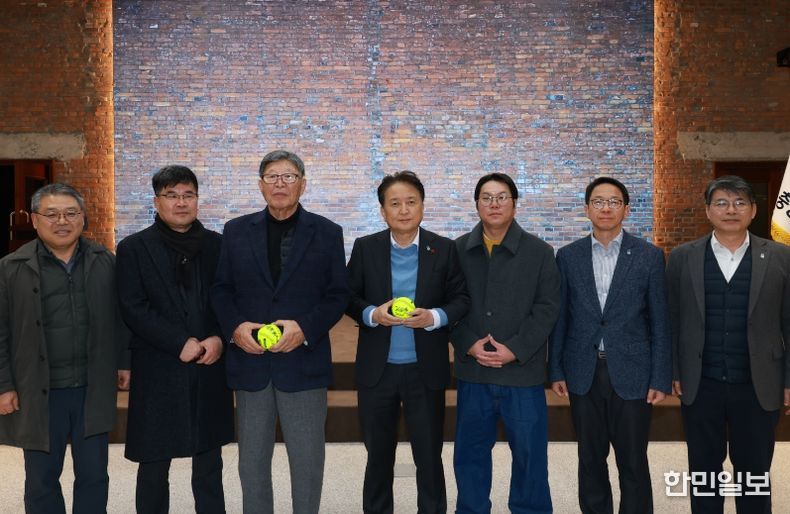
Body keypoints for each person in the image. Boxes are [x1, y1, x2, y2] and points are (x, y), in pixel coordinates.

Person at [211, 150, 349, 514]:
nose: (280, 184)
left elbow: (338, 294)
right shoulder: (236, 231)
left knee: (307, 463)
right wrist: (235, 328)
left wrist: (305, 329)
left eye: (289, 176)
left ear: (303, 184)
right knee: (251, 463)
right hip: (251, 363)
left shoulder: (327, 232)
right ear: (260, 185)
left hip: (303, 363)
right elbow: (221, 290)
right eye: (272, 177)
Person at [0, 183, 130, 513]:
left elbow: (122, 319)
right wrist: (4, 385)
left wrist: (125, 362)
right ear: (35, 219)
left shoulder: (105, 262)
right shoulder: (11, 267)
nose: (62, 221)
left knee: (94, 475)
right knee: (41, 479)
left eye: (71, 213)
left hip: (91, 386)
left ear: (83, 218)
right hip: (38, 390)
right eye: (52, 214)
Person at [346, 171, 469, 514]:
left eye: (411, 202)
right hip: (378, 370)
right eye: (395, 203)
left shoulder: (444, 248)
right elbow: (348, 296)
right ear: (382, 210)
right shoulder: (366, 247)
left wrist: (435, 317)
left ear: (422, 206)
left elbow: (461, 299)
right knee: (378, 456)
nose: (403, 210)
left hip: (424, 370)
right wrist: (372, 313)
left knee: (428, 457)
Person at [668, 175, 790, 513]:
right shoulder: (682, 257)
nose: (731, 210)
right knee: (704, 473)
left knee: (754, 474)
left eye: (739, 203)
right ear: (708, 210)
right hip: (700, 383)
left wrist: (789, 380)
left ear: (753, 210)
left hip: (758, 384)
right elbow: (672, 320)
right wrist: (674, 371)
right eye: (721, 202)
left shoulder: (781, 257)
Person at [548, 177, 671, 513]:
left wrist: (660, 377)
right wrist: (556, 369)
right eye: (598, 201)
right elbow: (561, 317)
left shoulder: (648, 256)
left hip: (634, 371)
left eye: (614, 201)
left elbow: (660, 321)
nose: (606, 208)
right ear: (587, 208)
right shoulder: (568, 256)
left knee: (633, 459)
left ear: (626, 209)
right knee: (590, 457)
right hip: (582, 370)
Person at [116, 165, 234, 513]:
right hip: (158, 365)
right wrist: (178, 342)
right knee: (154, 464)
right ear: (156, 202)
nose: (181, 203)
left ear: (197, 200)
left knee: (209, 462)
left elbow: (230, 299)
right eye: (171, 195)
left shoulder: (218, 246)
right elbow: (133, 307)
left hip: (209, 363)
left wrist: (219, 339)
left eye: (188, 195)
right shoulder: (134, 248)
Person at [450, 173, 560, 514]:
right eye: (486, 197)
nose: (494, 204)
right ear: (476, 204)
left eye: (502, 197)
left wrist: (516, 348)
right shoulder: (457, 250)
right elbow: (447, 304)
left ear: (514, 203)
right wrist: (468, 343)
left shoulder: (540, 252)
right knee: (469, 454)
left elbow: (547, 308)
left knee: (529, 455)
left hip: (522, 374)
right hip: (474, 372)